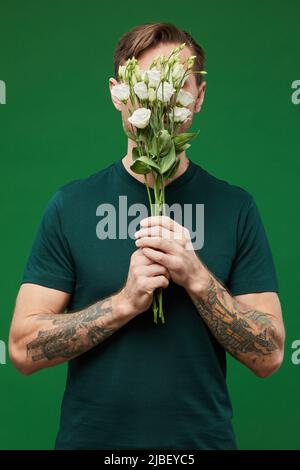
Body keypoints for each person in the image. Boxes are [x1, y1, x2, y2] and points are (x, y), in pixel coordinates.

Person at [9, 22, 285, 450]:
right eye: (149, 84)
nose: (162, 99)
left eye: (178, 85)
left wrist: (197, 278)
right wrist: (124, 304)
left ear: (200, 97)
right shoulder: (70, 204)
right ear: (119, 94)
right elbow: (23, 350)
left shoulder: (237, 207)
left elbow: (269, 356)